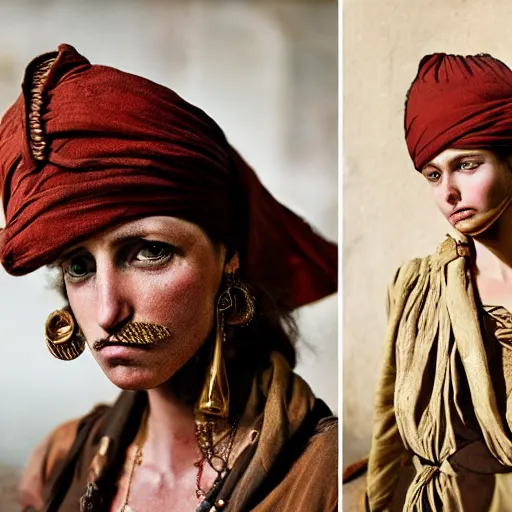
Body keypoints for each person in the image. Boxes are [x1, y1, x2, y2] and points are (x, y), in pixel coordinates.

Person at [0, 44, 338, 512]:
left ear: (229, 258)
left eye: (151, 252)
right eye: (79, 265)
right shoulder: (58, 463)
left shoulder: (329, 480)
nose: (106, 312)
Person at [344, 53, 512, 511]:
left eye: (468, 164)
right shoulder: (418, 289)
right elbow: (389, 425)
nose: (448, 192)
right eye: (433, 175)